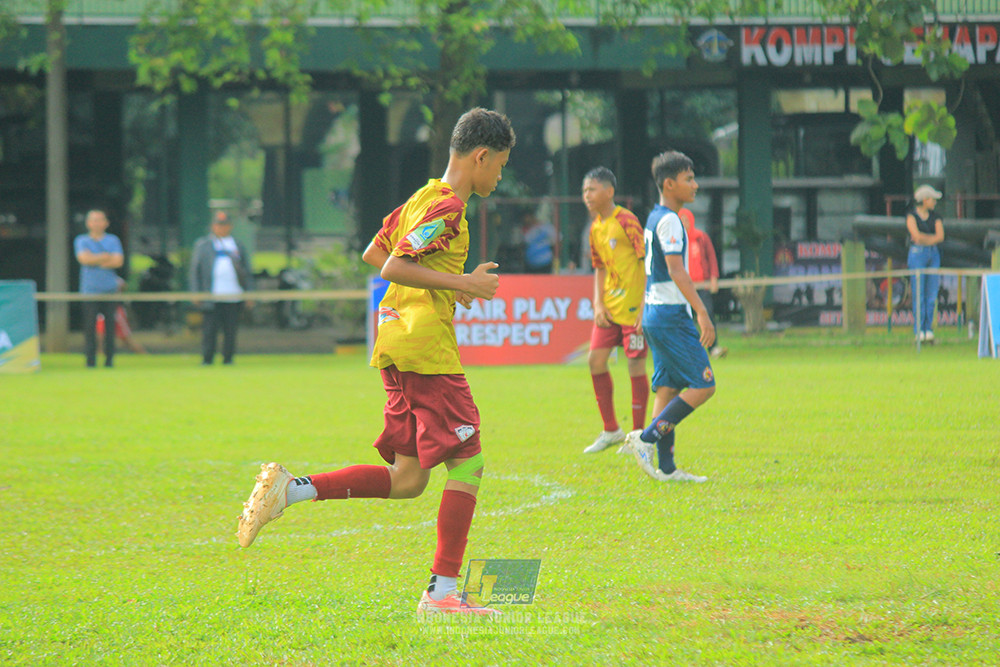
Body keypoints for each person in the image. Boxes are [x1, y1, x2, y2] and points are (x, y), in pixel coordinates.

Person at [236, 107, 514, 617]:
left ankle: (290, 491)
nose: (500, 175)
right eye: (500, 164)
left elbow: (372, 252)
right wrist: (464, 283)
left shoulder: (421, 198)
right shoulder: (448, 208)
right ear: (481, 156)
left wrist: (446, 286)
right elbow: (391, 264)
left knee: (409, 481)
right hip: (424, 351)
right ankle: (443, 593)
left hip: (395, 342)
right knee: (469, 462)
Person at [622, 150, 714, 483]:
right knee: (704, 386)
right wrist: (701, 311)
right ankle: (646, 438)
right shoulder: (671, 220)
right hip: (671, 314)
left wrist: (645, 307)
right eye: (689, 179)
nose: (695, 185)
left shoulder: (655, 216)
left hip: (656, 312)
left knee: (668, 386)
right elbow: (675, 269)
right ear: (669, 183)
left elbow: (656, 269)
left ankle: (668, 468)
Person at [580, 167, 649, 454]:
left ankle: (637, 436)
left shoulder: (626, 220)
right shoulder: (595, 227)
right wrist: (597, 303)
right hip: (609, 307)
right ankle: (611, 430)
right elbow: (598, 268)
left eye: (592, 190)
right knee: (595, 361)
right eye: (584, 191)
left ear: (609, 191)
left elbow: (647, 261)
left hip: (634, 308)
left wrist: (646, 303)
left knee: (635, 366)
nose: (587, 196)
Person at [189, 212, 254, 365]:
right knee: (209, 330)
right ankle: (207, 358)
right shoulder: (203, 245)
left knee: (230, 330)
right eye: (218, 225)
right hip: (212, 295)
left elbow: (247, 271)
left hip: (233, 295)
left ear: (230, 227)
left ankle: (228, 358)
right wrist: (196, 292)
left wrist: (249, 293)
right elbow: (195, 271)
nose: (221, 228)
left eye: (224, 225)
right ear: (213, 226)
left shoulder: (237, 245)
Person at [74, 209, 124, 368]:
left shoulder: (113, 240)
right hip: (90, 291)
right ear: (88, 223)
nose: (96, 223)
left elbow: (118, 261)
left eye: (100, 220)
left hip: (109, 290)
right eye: (93, 220)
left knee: (110, 328)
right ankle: (90, 361)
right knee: (89, 327)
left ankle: (109, 360)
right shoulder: (81, 240)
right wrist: (105, 257)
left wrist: (94, 259)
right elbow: (83, 259)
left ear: (106, 223)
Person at [679, 207, 727, 359]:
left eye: (686, 220)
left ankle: (713, 347)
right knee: (684, 318)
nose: (684, 223)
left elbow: (711, 258)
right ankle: (687, 349)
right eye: (681, 220)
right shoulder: (675, 240)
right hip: (684, 287)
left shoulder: (701, 237)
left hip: (702, 286)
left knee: (708, 315)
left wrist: (713, 278)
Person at [906, 184, 945, 343]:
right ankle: (919, 330)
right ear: (924, 200)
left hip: (933, 255)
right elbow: (915, 236)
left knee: (931, 294)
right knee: (919, 293)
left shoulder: (936, 217)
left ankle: (928, 329)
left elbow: (940, 236)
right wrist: (930, 239)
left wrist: (925, 240)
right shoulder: (911, 216)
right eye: (932, 199)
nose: (934, 202)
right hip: (917, 254)